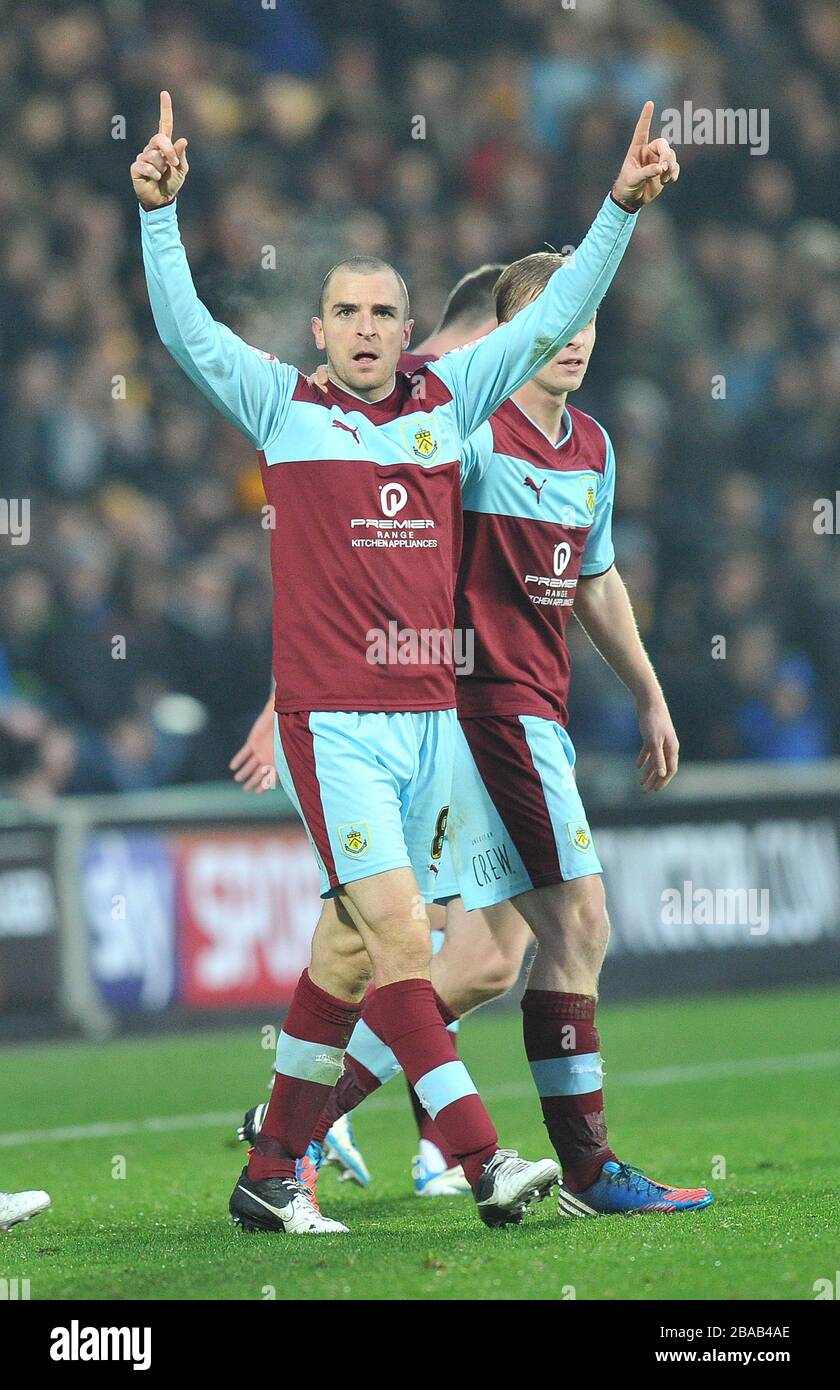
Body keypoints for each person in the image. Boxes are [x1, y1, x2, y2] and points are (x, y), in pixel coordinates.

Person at [133, 91, 677, 1233]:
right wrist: (159, 215)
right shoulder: (280, 406)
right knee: (397, 937)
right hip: (333, 723)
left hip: (430, 722)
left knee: (351, 947)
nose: (370, 328)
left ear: (410, 325)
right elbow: (185, 333)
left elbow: (550, 317)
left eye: (386, 311)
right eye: (347, 312)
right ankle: (484, 1159)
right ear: (320, 329)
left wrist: (617, 210)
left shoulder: (447, 402)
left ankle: (271, 1167)